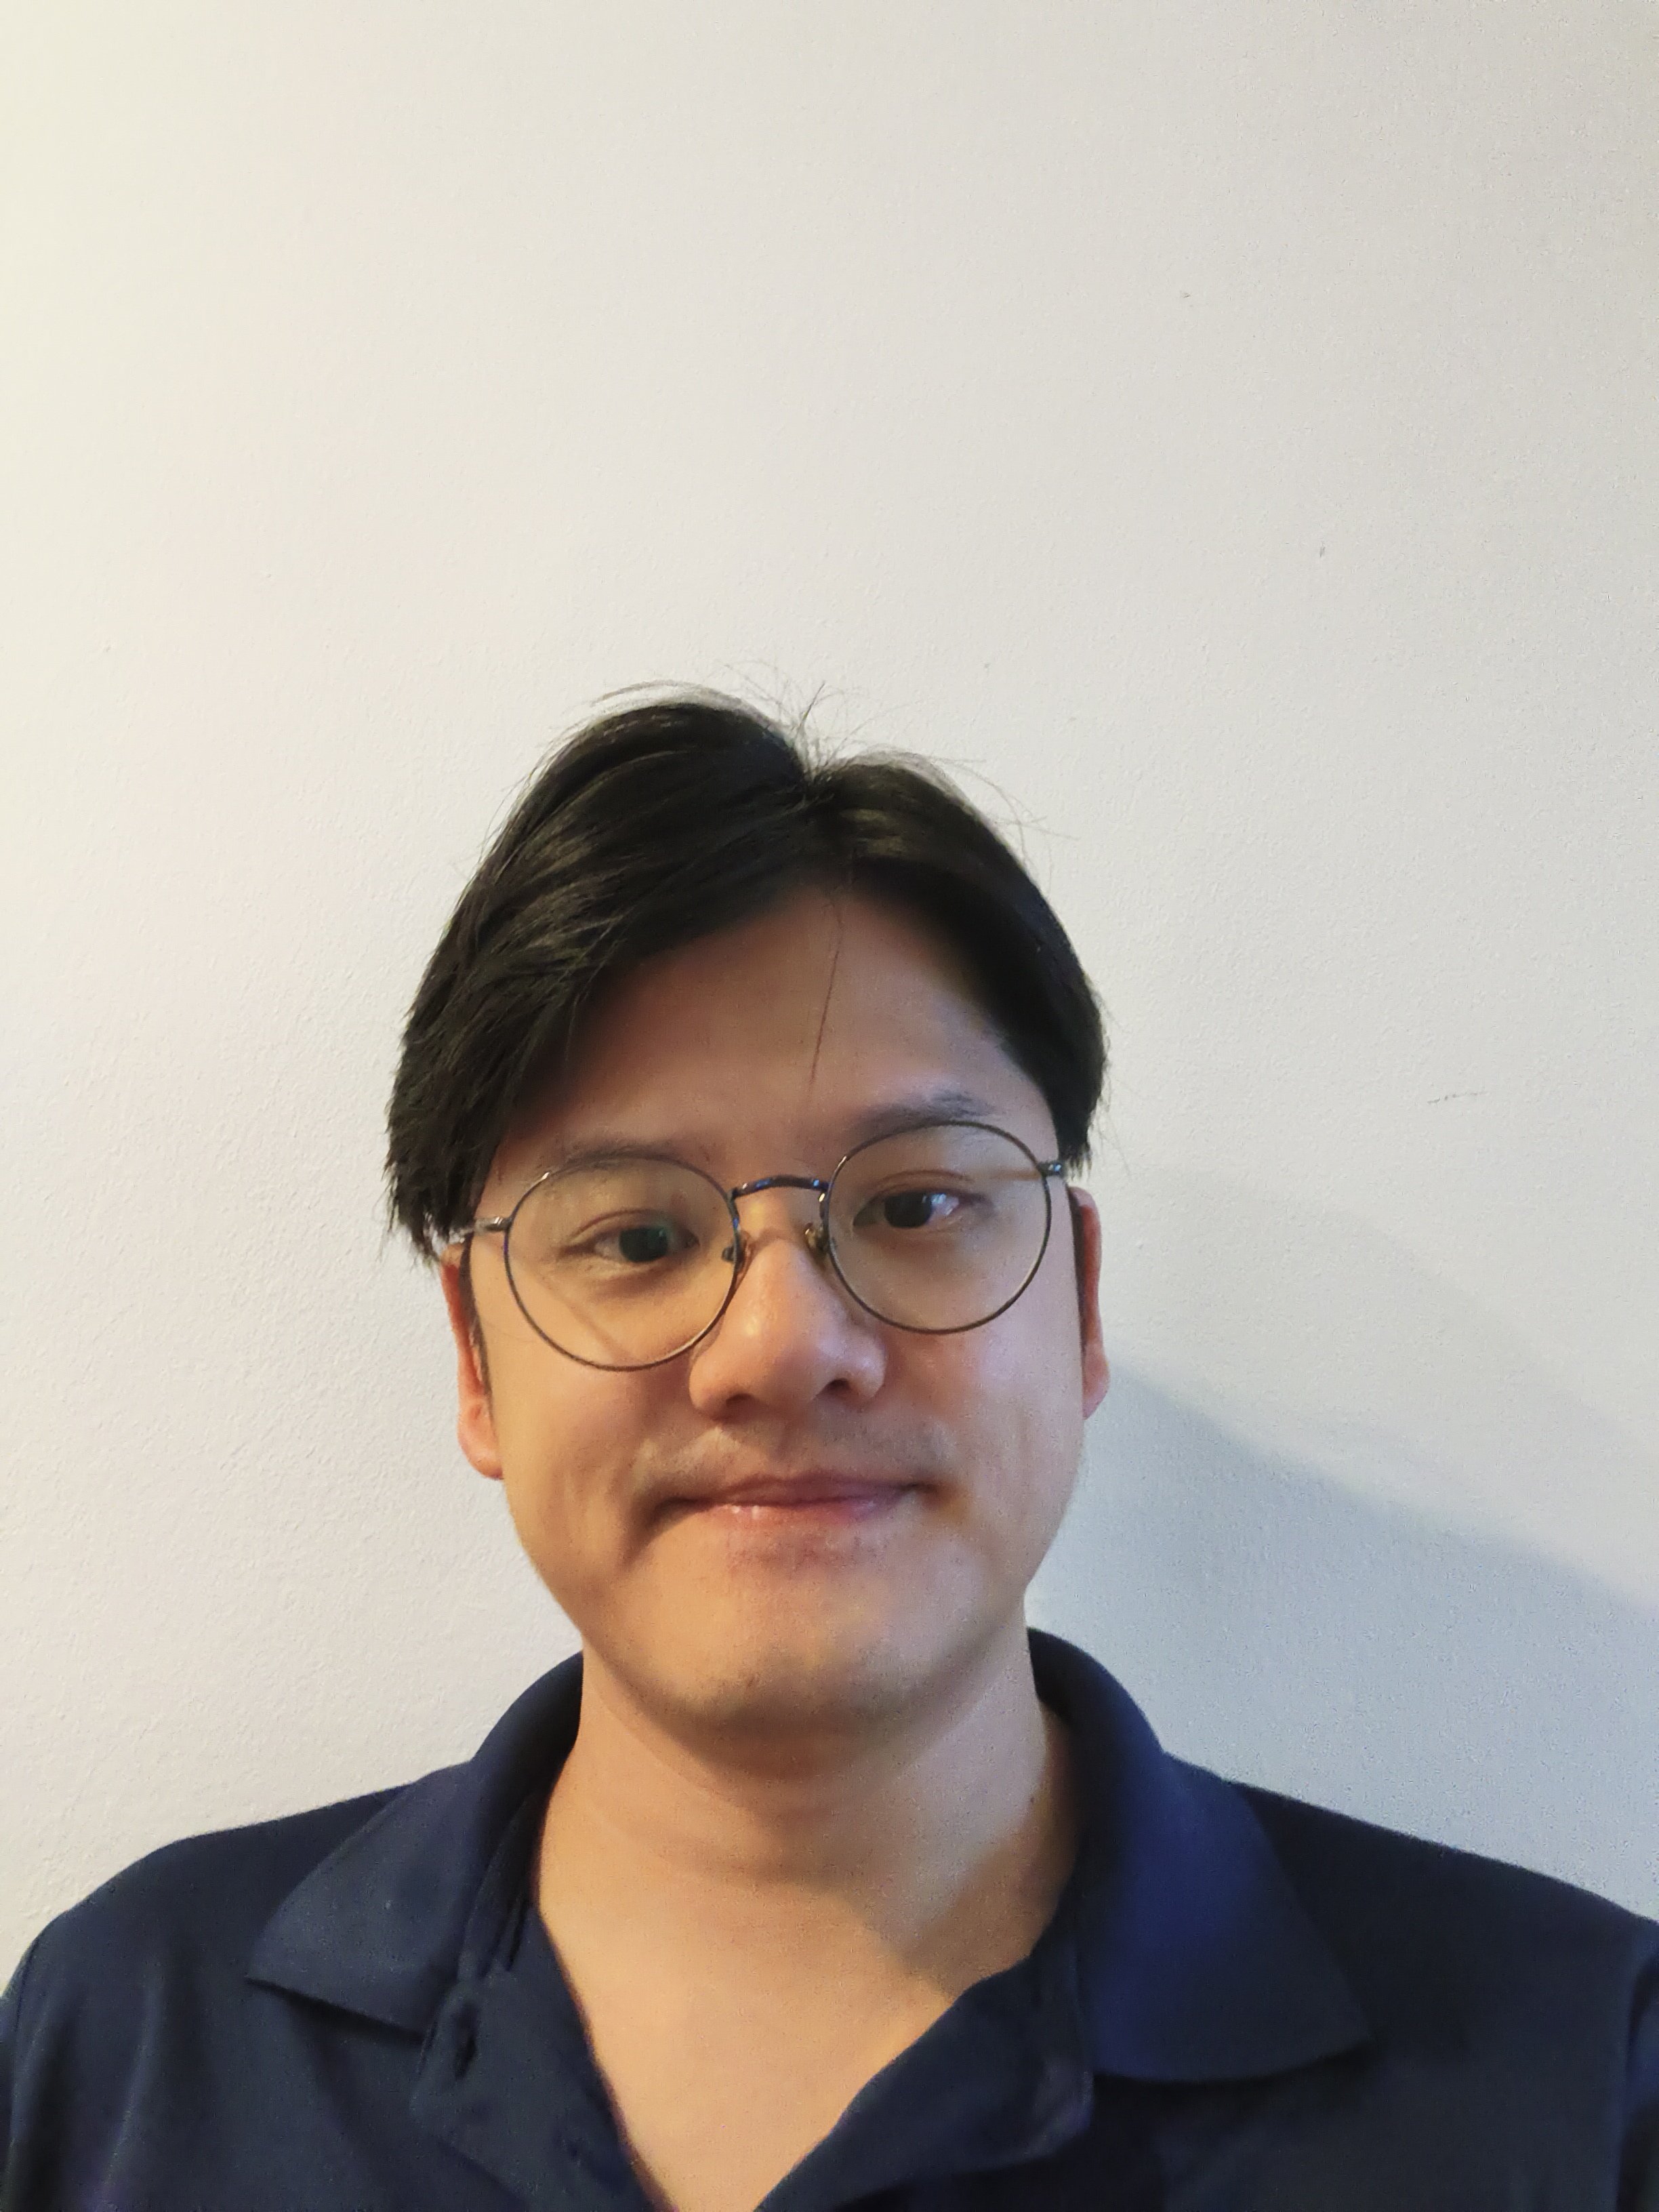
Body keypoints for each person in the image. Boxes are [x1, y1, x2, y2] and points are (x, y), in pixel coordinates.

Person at [3, 692, 1655, 2212]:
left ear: (1079, 1302)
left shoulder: (1578, 2087)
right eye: (637, 1237)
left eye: (916, 1206)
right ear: (477, 1360)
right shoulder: (134, 2043)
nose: (783, 1346)